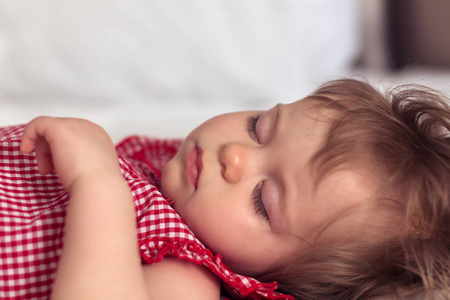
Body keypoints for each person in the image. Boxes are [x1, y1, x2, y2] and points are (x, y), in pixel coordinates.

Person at [1, 78, 449, 300]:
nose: (234, 156)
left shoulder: (187, 275)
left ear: (273, 283)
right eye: (259, 127)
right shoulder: (166, 178)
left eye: (262, 200)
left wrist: (97, 183)